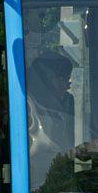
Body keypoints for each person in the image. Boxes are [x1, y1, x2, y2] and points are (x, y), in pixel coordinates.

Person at [26, 50, 76, 181]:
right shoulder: (27, 110)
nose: (66, 88)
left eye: (68, 82)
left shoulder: (59, 112)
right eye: (63, 81)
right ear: (46, 81)